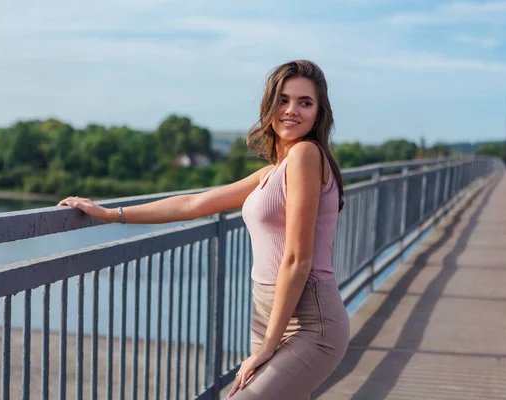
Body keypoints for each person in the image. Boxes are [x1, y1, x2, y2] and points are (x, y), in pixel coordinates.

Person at [58, 60, 350, 399]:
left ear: (319, 112)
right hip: (269, 313)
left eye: (305, 102)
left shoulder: (305, 155)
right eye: (283, 100)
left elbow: (298, 259)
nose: (291, 110)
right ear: (270, 105)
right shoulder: (274, 171)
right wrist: (109, 214)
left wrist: (267, 346)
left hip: (311, 322)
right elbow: (193, 204)